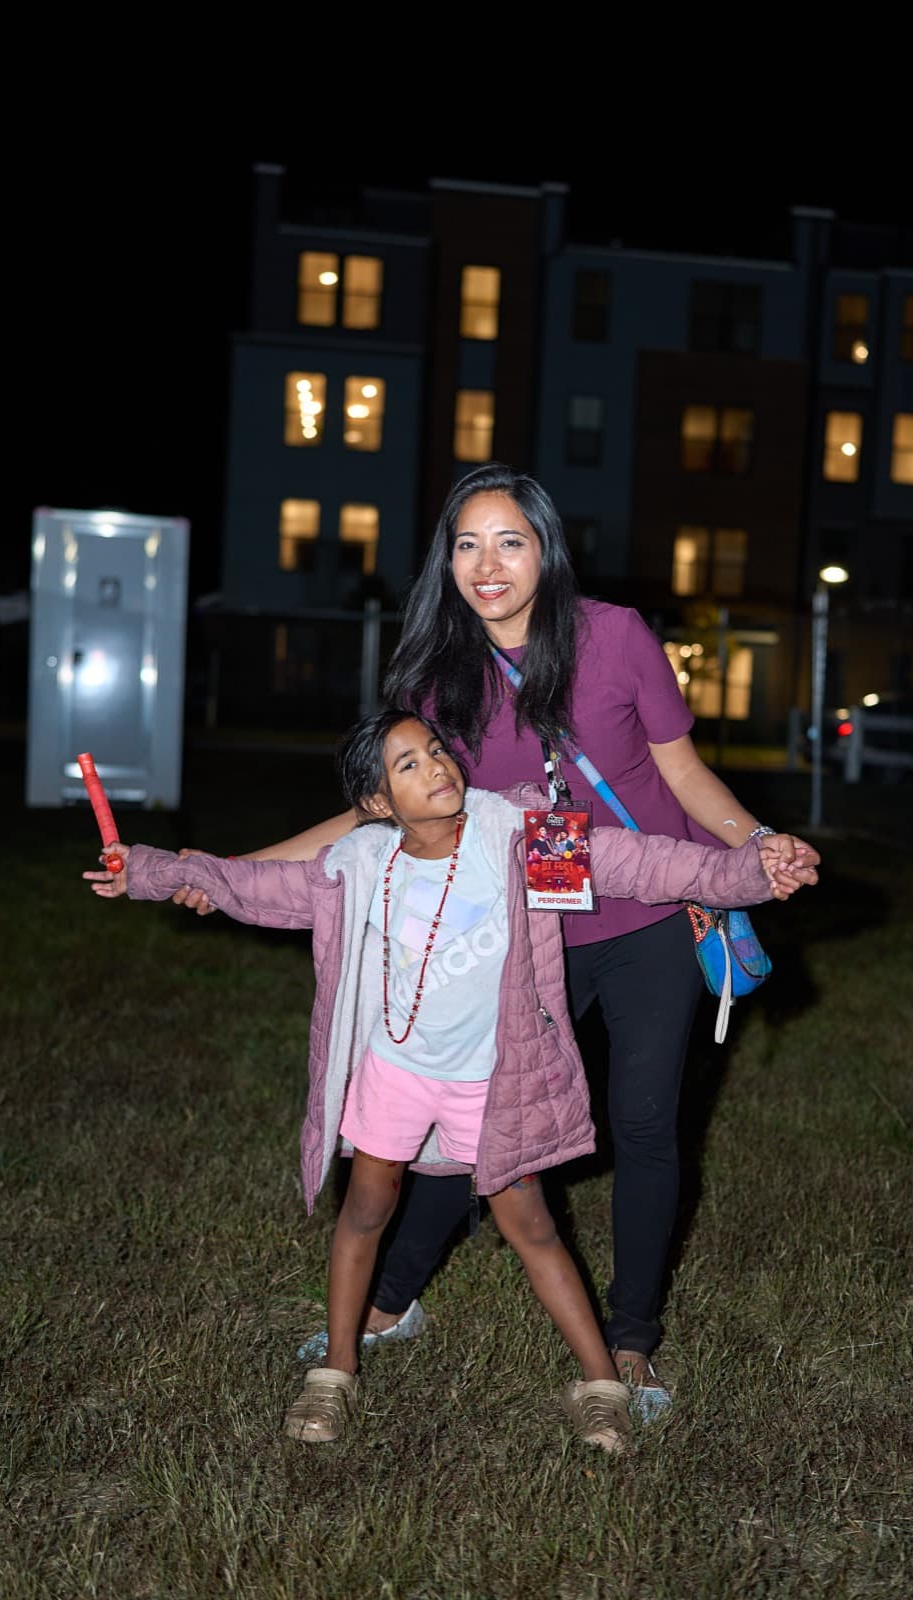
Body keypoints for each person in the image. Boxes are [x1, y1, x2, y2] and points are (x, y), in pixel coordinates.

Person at [172, 463, 821, 1417]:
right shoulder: (438, 677)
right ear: (447, 559)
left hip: (648, 916)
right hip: (526, 933)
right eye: (467, 543)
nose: (488, 563)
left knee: (644, 1124)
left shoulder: (617, 637)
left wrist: (760, 849)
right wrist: (222, 869)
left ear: (545, 549)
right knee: (467, 1127)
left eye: (509, 540)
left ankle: (632, 1344)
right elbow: (376, 817)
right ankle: (390, 1305)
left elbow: (685, 779)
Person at [85, 708, 794, 1453]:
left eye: (434, 750)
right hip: (393, 1072)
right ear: (377, 805)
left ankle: (599, 1384)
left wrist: (749, 871)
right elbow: (255, 888)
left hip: (489, 1081)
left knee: (533, 1227)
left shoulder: (520, 836)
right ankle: (335, 1368)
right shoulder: (359, 866)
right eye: (409, 765)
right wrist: (152, 872)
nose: (437, 767)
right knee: (364, 1209)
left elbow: (644, 866)